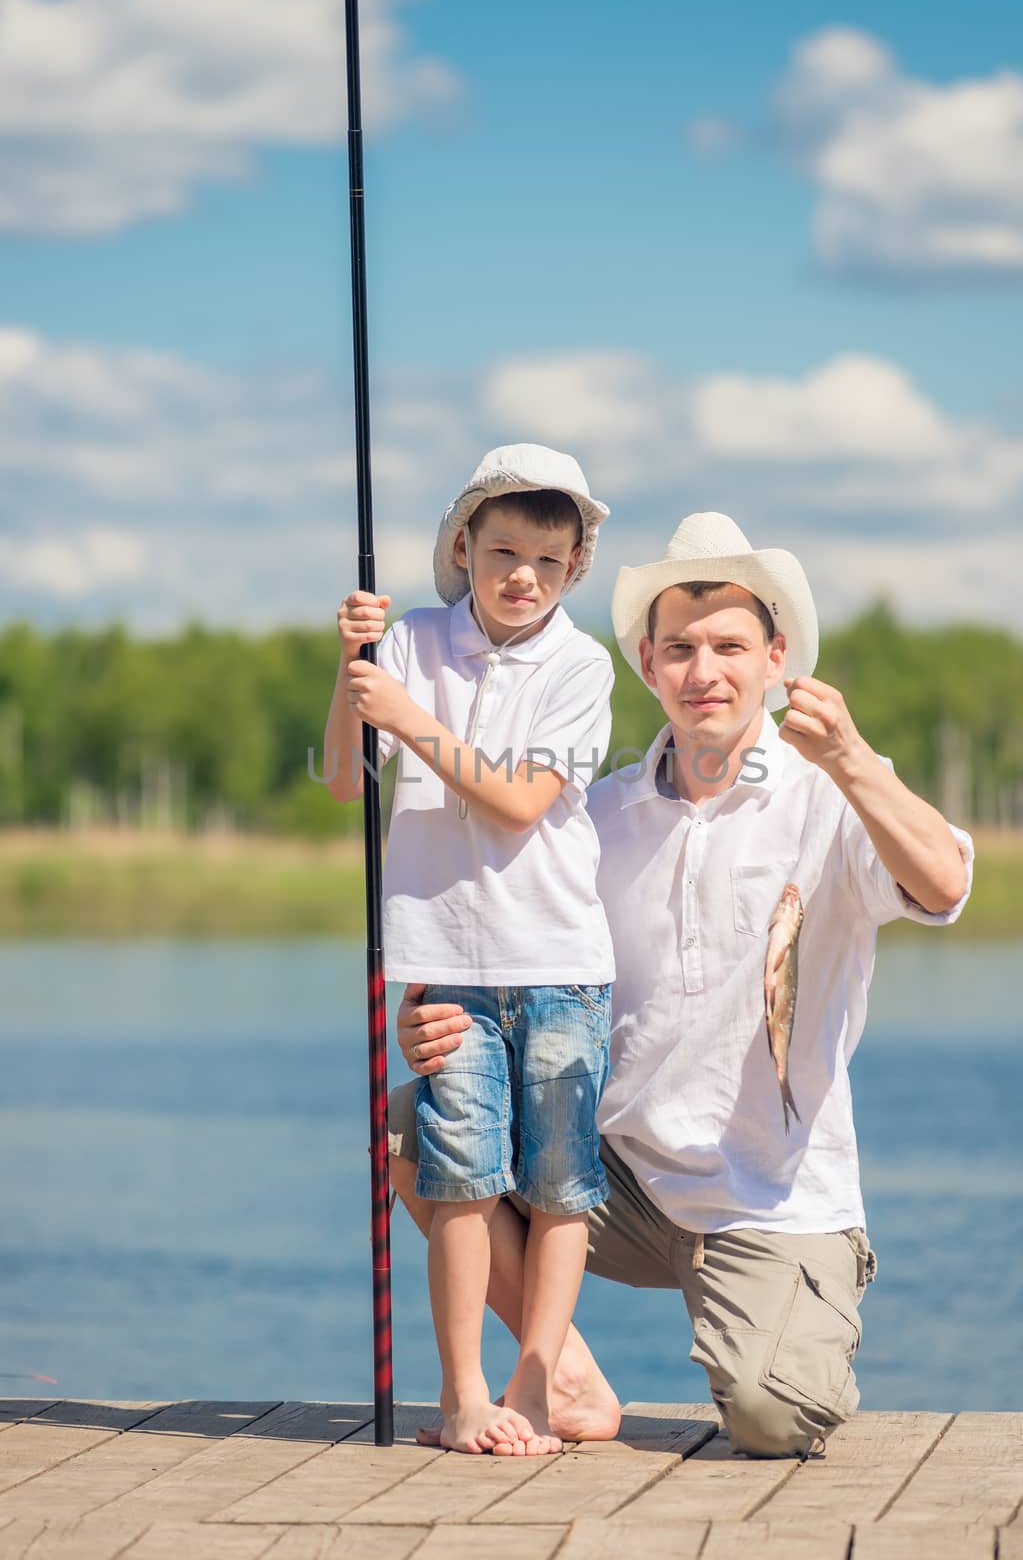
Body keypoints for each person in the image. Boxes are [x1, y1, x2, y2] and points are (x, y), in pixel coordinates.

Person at [388, 512, 974, 1458]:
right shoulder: (601, 813)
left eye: (731, 647)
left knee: (772, 1419)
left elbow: (944, 883)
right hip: (614, 1179)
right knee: (413, 1124)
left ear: (777, 658)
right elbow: (505, 941)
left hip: (775, 1198)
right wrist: (432, 1017)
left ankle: (787, 1315)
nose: (706, 671)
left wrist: (855, 762)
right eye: (680, 648)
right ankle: (559, 1372)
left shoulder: (832, 792)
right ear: (650, 665)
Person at [323, 443, 616, 1457]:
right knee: (458, 1174)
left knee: (560, 1183)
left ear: (574, 568)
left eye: (545, 558)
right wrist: (354, 672)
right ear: (465, 545)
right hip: (445, 960)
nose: (520, 575)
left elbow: (519, 800)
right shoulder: (412, 643)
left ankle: (536, 1390)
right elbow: (338, 779)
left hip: (560, 960)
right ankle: (464, 1398)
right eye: (501, 550)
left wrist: (406, 714)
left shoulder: (582, 664)